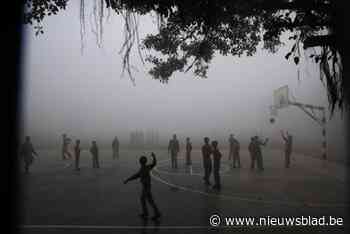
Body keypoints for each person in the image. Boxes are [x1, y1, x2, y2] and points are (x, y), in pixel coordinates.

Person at [124, 152, 161, 220]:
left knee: (147, 200)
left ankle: (153, 213)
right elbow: (154, 163)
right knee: (146, 200)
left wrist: (127, 180)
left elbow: (136, 176)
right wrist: (154, 156)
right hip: (146, 187)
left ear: (140, 162)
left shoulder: (143, 169)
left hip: (146, 187)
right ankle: (150, 212)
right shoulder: (146, 167)